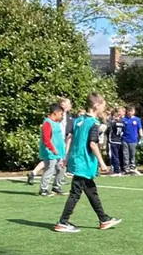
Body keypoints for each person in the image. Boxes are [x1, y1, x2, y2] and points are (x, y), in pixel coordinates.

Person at [55, 98, 120, 233]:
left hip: (77, 160)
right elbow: (92, 144)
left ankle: (104, 219)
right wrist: (102, 162)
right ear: (96, 106)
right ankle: (62, 222)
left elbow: (70, 138)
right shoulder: (93, 123)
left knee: (91, 190)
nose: (104, 108)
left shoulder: (78, 120)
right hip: (84, 162)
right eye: (103, 105)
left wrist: (66, 157)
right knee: (75, 193)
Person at [37, 103, 68, 196]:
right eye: (61, 114)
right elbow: (46, 139)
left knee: (61, 169)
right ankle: (43, 189)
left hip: (58, 152)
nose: (62, 116)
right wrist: (52, 149)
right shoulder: (47, 123)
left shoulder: (56, 123)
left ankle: (56, 186)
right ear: (55, 112)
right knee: (49, 169)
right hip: (50, 152)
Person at [122, 104, 142, 174]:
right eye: (128, 111)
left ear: (134, 111)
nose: (130, 112)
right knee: (125, 154)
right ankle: (126, 168)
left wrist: (141, 137)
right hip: (124, 139)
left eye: (131, 111)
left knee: (132, 154)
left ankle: (132, 168)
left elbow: (140, 129)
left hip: (133, 140)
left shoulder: (137, 119)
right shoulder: (123, 119)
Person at [106, 105, 125, 176]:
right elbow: (123, 131)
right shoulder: (122, 123)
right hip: (119, 140)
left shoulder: (113, 123)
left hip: (113, 140)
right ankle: (118, 169)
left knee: (114, 156)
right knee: (118, 155)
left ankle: (116, 170)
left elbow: (109, 129)